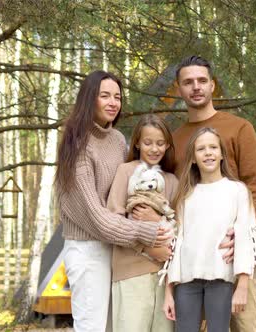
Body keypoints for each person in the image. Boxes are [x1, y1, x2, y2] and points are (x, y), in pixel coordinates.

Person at [55, 71, 172, 332]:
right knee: (93, 327)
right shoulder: (76, 144)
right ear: (89, 99)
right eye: (104, 95)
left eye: (117, 97)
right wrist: (149, 232)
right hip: (89, 250)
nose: (113, 102)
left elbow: (129, 190)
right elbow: (97, 218)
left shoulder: (118, 140)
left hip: (118, 248)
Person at [172, 55, 256, 332]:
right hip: (193, 262)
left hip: (233, 255)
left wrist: (243, 236)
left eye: (202, 81)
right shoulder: (175, 139)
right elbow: (177, 195)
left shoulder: (239, 128)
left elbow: (255, 187)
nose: (196, 87)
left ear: (213, 86)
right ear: (179, 89)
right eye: (188, 82)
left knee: (246, 325)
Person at [163, 127, 256, 331]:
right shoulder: (185, 196)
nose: (208, 152)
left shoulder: (237, 191)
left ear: (222, 154)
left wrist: (242, 285)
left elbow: (245, 238)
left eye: (213, 147)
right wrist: (168, 291)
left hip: (220, 278)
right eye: (201, 149)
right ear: (193, 158)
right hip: (186, 282)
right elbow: (176, 244)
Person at [106, 114, 178, 332]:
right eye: (148, 143)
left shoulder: (172, 180)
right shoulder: (125, 171)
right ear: (137, 142)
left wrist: (157, 220)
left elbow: (177, 226)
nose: (154, 149)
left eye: (160, 143)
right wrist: (148, 247)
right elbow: (113, 222)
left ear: (167, 145)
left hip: (163, 278)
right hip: (131, 273)